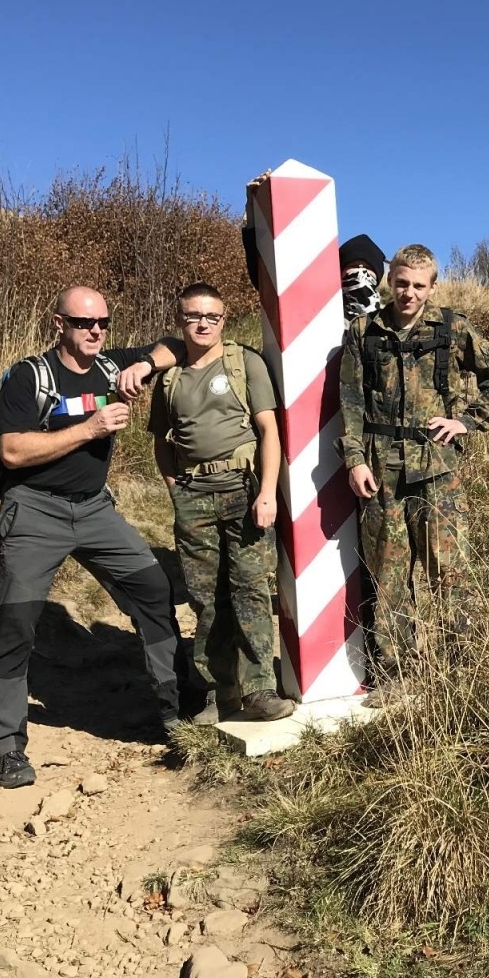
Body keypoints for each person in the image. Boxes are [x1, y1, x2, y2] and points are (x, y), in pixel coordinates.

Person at [0, 287, 187, 789]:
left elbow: (175, 345)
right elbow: (11, 451)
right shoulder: (28, 376)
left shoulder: (111, 367)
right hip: (34, 510)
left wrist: (144, 366)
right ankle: (5, 747)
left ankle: (175, 708)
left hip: (95, 511)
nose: (95, 331)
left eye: (103, 323)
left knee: (153, 590)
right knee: (16, 625)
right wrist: (90, 429)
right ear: (59, 324)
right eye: (83, 323)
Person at [336, 244, 489, 682]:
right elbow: (351, 401)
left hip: (438, 472)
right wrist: (355, 460)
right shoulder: (363, 332)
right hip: (381, 475)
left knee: (450, 574)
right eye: (400, 283)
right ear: (388, 282)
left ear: (432, 287)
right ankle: (397, 675)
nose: (408, 293)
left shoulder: (453, 328)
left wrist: (466, 421)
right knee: (389, 579)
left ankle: (463, 671)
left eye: (418, 285)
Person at [149, 282, 293, 724]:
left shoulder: (243, 362)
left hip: (243, 489)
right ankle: (219, 693)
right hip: (193, 497)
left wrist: (268, 492)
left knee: (250, 589)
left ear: (223, 319)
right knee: (206, 597)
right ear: (180, 319)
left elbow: (268, 430)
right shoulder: (170, 379)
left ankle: (259, 691)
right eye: (194, 316)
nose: (203, 324)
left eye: (212, 316)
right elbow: (162, 442)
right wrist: (177, 489)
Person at [338, 233, 386, 321]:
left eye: (367, 268)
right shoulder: (326, 312)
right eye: (354, 266)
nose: (361, 272)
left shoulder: (389, 317)